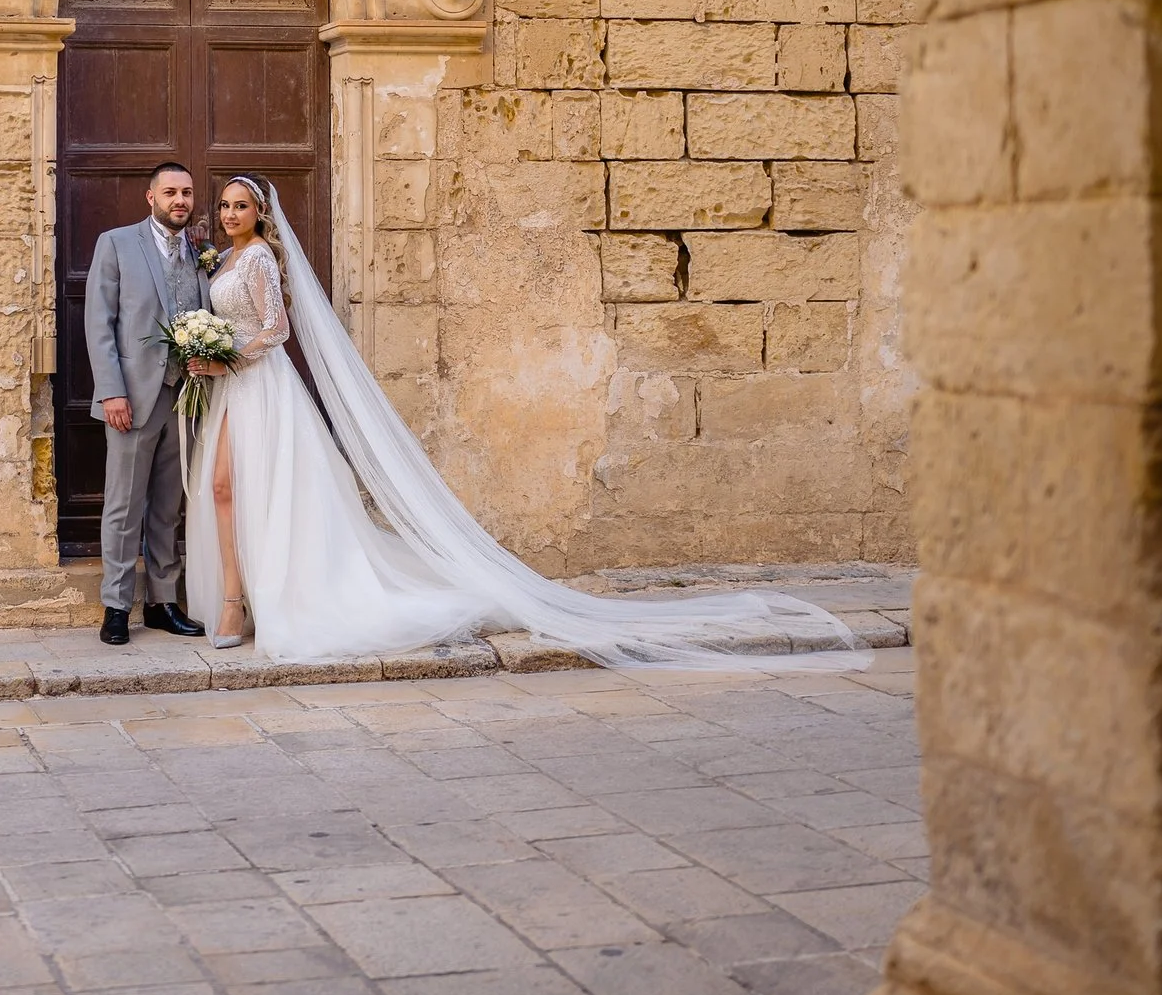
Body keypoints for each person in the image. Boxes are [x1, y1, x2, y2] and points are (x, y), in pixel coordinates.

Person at [180, 176, 867, 669]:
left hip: (261, 387)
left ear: (261, 214)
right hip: (232, 392)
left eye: (242, 206)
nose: (231, 213)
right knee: (225, 491)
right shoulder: (223, 259)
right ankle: (240, 599)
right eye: (226, 206)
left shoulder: (264, 257)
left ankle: (254, 603)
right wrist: (205, 352)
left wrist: (225, 353)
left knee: (248, 491)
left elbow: (274, 329)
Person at [80, 162, 211, 646]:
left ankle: (161, 602)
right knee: (122, 505)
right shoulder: (115, 243)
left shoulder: (200, 249)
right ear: (150, 197)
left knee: (167, 508)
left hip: (186, 396)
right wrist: (111, 390)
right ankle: (116, 605)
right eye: (171, 192)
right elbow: (100, 323)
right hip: (131, 397)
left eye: (187, 193)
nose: (181, 200)